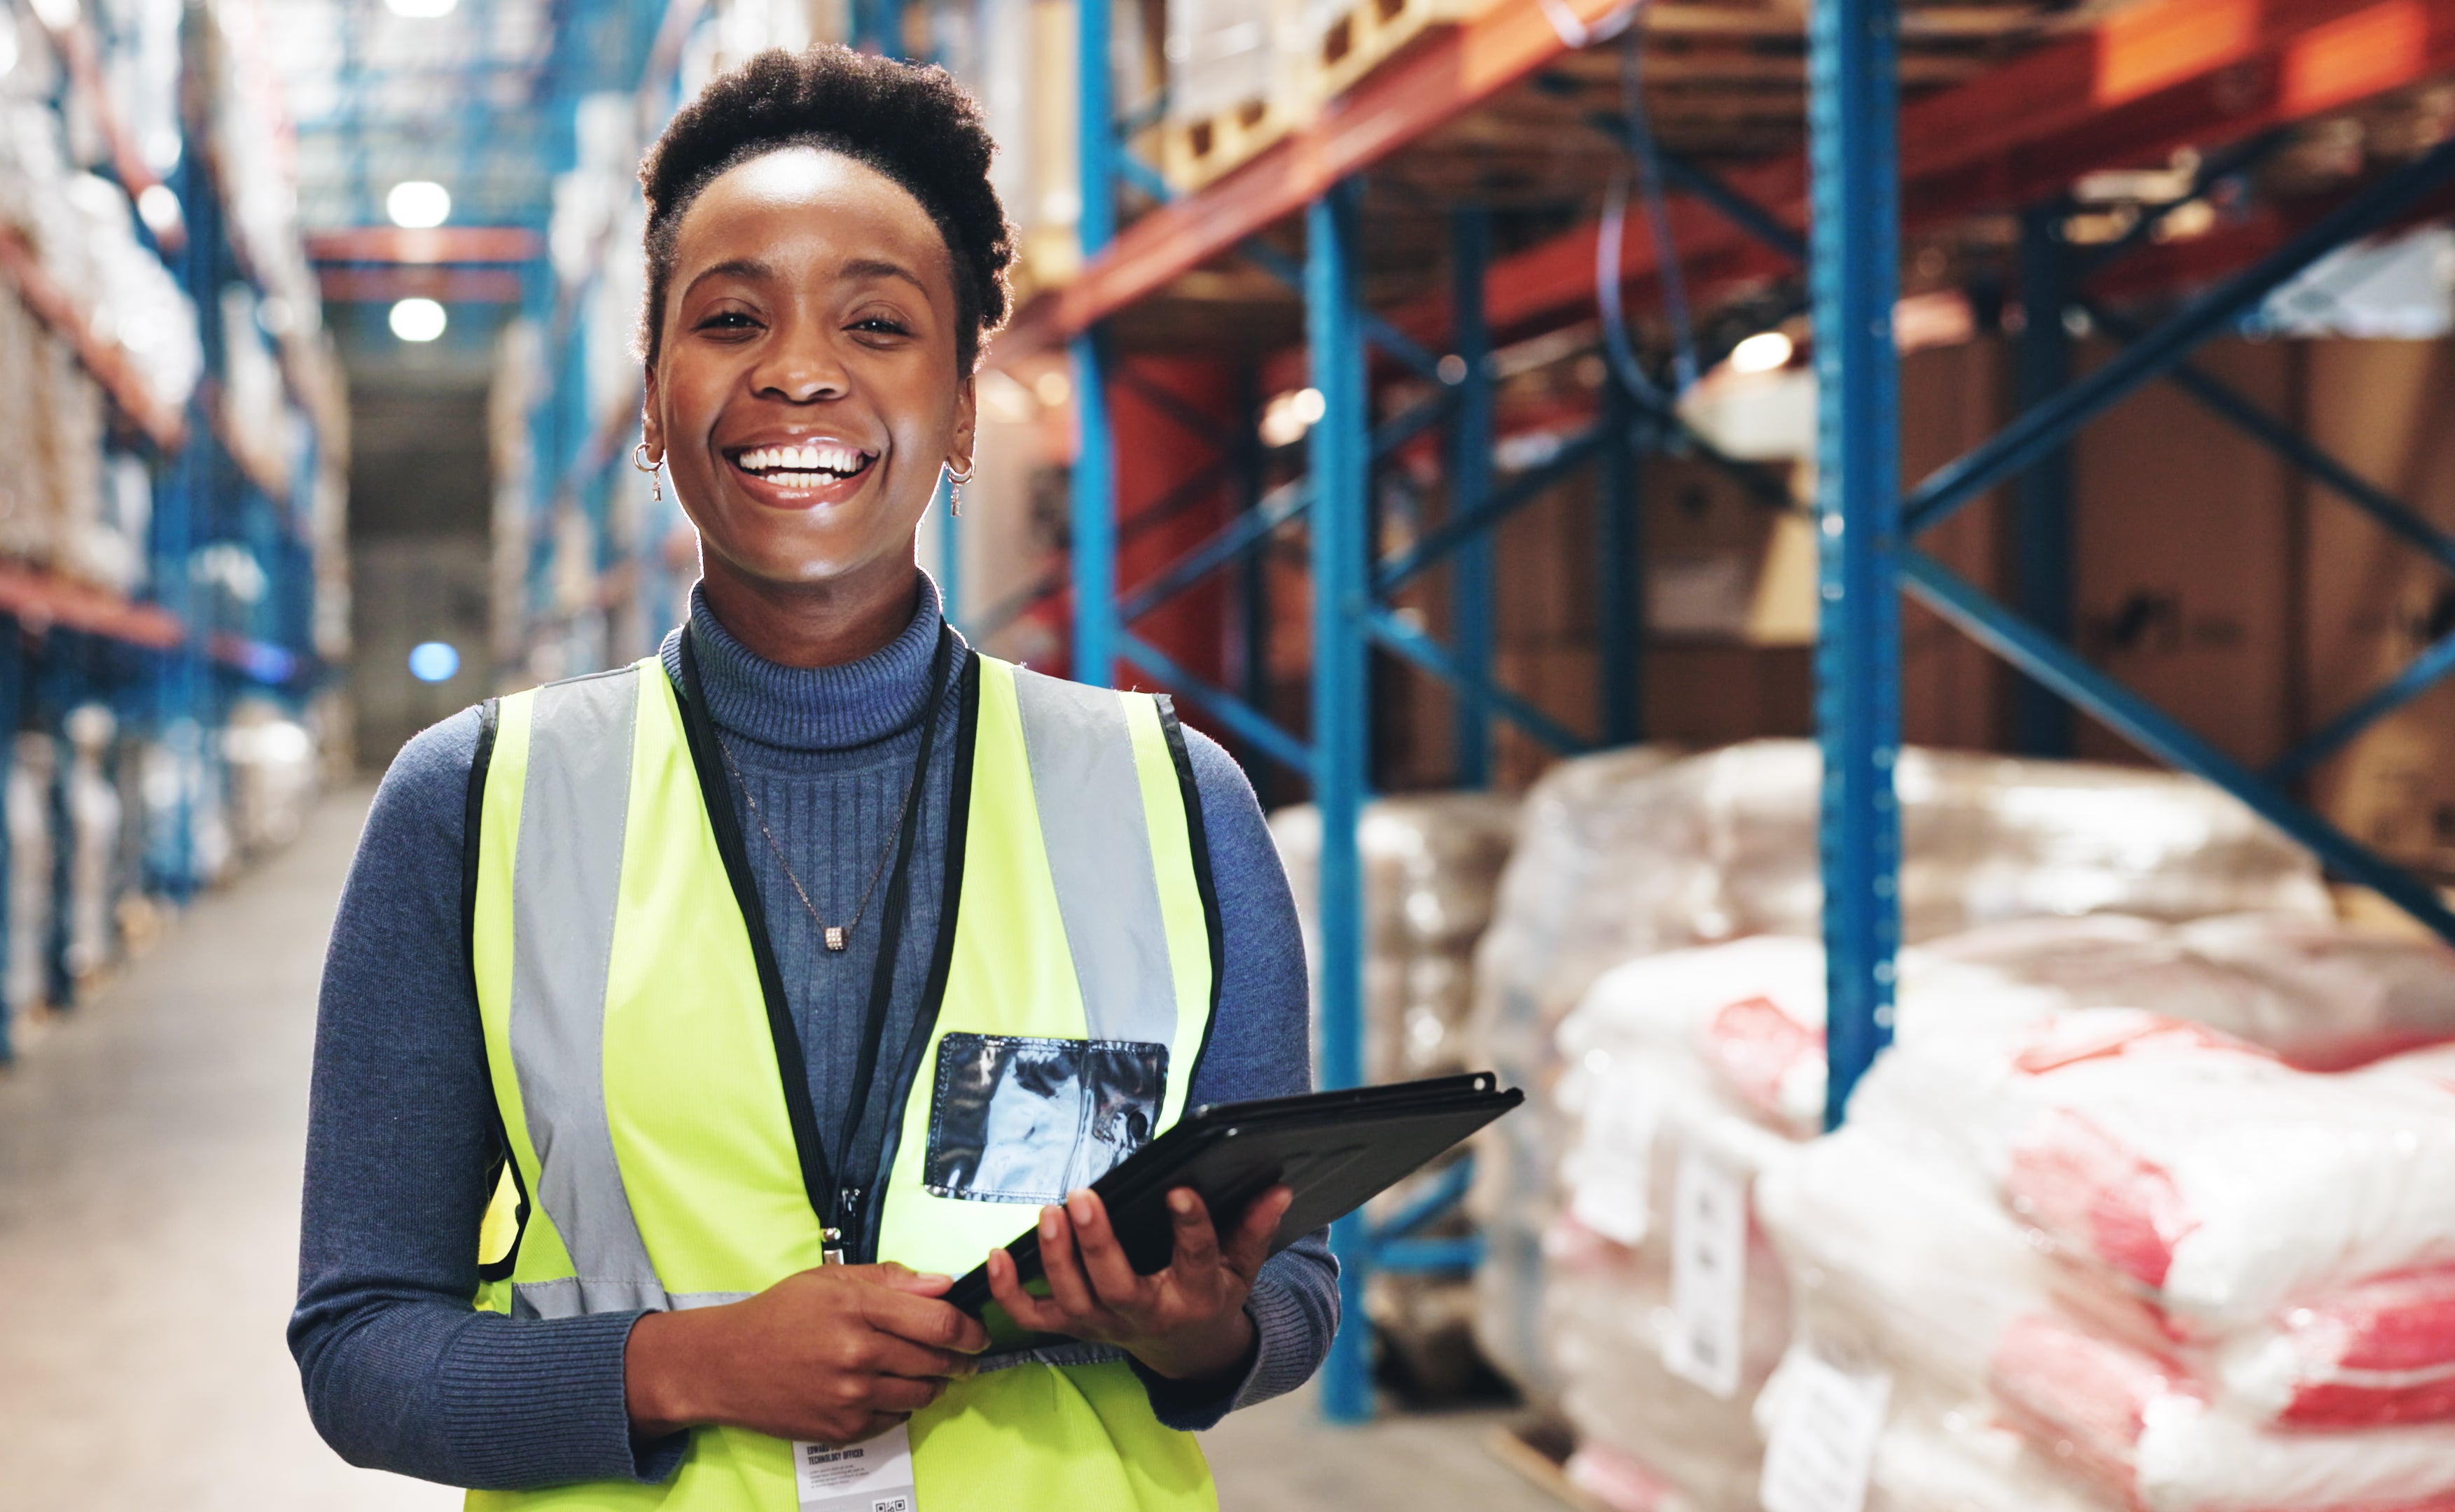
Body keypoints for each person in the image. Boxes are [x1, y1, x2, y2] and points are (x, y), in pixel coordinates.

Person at [291, 45, 1336, 1509]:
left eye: (878, 322)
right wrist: (688, 1365)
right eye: (729, 319)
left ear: (962, 411)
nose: (798, 369)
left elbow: (1290, 1296)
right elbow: (359, 1348)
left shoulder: (1173, 801)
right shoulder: (477, 804)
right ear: (654, 408)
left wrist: (1200, 1325)